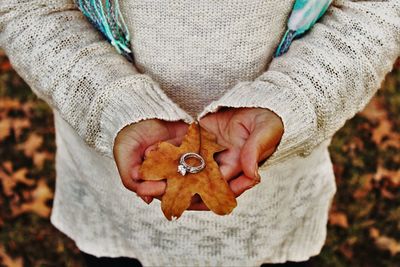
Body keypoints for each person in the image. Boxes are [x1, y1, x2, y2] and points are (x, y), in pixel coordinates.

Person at [0, 0, 398, 266]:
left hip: (275, 206)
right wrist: (111, 104)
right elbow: (28, 8)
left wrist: (290, 99)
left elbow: (376, 10)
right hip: (114, 203)